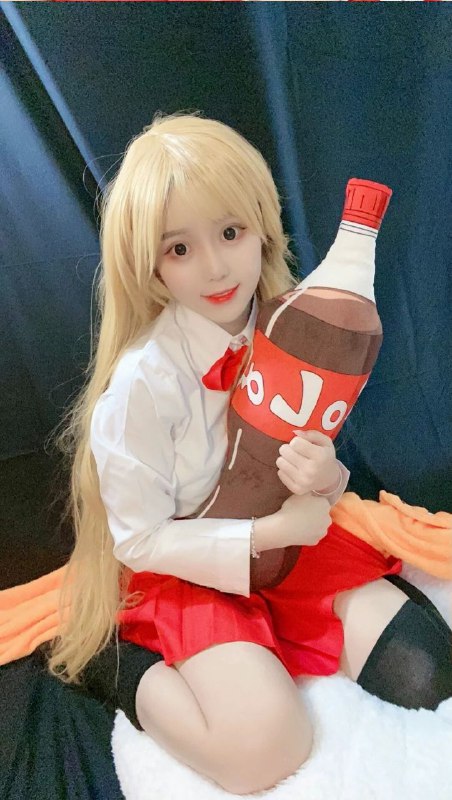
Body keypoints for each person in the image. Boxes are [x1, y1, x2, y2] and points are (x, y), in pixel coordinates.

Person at [49, 111, 452, 796]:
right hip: (190, 564)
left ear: (262, 226)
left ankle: (276, 639)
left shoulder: (292, 322)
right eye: (180, 249)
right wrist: (267, 533)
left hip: (287, 544)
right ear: (149, 265)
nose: (214, 267)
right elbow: (140, 539)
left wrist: (326, 475)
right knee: (267, 749)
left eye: (230, 233)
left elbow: (315, 455)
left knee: (425, 668)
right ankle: (120, 666)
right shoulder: (141, 387)